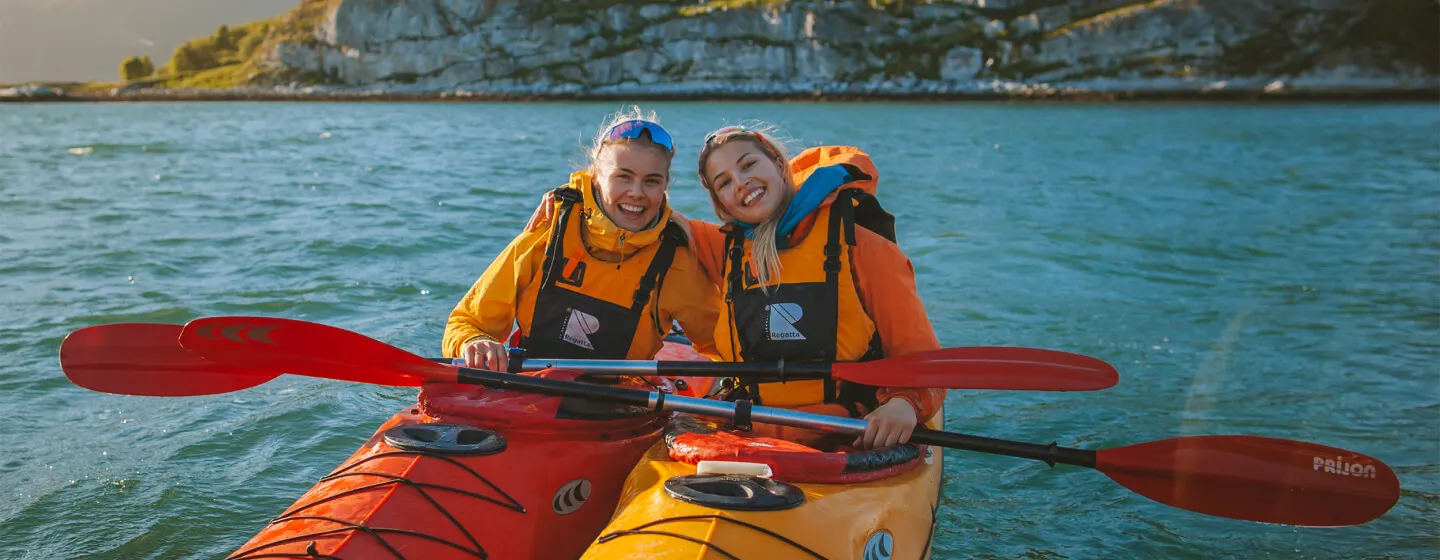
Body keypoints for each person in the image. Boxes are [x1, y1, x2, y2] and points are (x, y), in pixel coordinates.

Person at [524, 122, 945, 450]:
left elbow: (922, 360)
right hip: (747, 429)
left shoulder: (861, 246)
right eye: (723, 182)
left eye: (748, 165)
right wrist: (574, 194)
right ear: (720, 203)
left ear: (779, 165)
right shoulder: (723, 248)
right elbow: (634, 205)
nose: (740, 183)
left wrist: (904, 403)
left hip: (846, 432)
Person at [442, 108, 721, 371]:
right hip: (527, 390)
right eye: (623, 177)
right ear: (596, 175)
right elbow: (467, 322)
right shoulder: (548, 229)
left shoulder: (677, 261)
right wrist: (473, 342)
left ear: (665, 185)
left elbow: (724, 350)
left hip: (619, 407)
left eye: (651, 181)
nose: (636, 192)